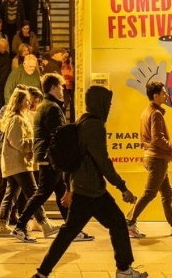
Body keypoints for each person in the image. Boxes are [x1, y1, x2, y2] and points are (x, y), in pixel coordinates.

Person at [31, 85, 147, 278]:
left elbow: (75, 158)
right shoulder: (95, 126)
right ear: (99, 103)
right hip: (91, 190)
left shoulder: (82, 120)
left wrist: (69, 187)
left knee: (71, 232)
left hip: (85, 187)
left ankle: (42, 273)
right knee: (112, 224)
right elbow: (103, 162)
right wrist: (122, 187)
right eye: (107, 104)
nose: (109, 108)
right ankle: (124, 270)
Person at [13, 74, 93, 243]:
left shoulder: (45, 105)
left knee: (61, 192)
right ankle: (20, 226)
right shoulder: (52, 107)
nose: (63, 90)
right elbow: (58, 135)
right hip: (50, 157)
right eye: (61, 87)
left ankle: (72, 230)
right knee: (42, 193)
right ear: (54, 87)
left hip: (46, 155)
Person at [126, 81, 172, 238]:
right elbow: (157, 139)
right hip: (157, 158)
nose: (166, 95)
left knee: (167, 193)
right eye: (163, 93)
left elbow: (146, 139)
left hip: (152, 157)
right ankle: (130, 222)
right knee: (150, 193)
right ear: (156, 96)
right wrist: (170, 147)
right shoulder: (156, 113)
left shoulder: (146, 112)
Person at [0, 89, 59, 239]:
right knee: (33, 192)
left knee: (11, 194)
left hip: (15, 163)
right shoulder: (17, 119)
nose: (29, 102)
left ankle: (3, 225)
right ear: (18, 101)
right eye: (26, 100)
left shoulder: (18, 118)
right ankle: (43, 223)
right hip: (19, 163)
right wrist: (35, 143)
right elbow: (17, 142)